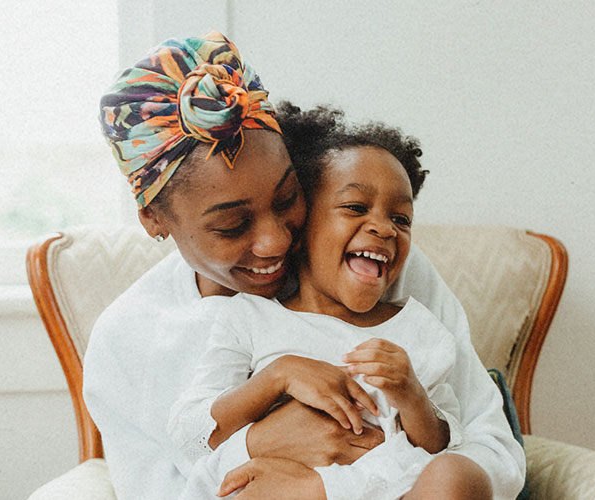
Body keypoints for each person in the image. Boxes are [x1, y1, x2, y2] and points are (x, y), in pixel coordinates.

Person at [83, 31, 523, 500]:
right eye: (233, 226)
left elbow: (490, 448)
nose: (276, 242)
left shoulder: (374, 271)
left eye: (287, 197)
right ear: (154, 220)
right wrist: (259, 443)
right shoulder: (126, 341)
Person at [165, 107, 526, 500]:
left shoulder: (418, 328)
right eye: (355, 208)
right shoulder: (249, 319)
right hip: (275, 489)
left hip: (383, 488)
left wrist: (412, 397)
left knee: (457, 475)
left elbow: (439, 446)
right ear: (301, 229)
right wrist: (276, 378)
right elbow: (192, 433)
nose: (383, 227)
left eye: (402, 219)